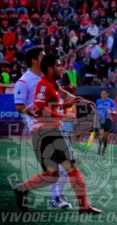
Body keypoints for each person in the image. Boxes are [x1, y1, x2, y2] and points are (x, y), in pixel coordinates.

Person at [13, 54, 101, 214]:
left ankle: (22, 189)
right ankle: (84, 206)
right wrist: (63, 116)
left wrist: (73, 103)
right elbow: (39, 108)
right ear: (50, 69)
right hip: (50, 132)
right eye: (59, 65)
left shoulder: (51, 85)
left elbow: (49, 106)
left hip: (41, 134)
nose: (62, 68)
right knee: (72, 168)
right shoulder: (44, 85)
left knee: (52, 175)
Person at [14, 47, 73, 211]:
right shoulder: (24, 81)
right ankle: (55, 198)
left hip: (53, 124)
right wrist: (35, 114)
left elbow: (61, 93)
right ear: (34, 60)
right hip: (40, 128)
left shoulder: (48, 78)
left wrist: (77, 101)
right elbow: (19, 106)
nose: (46, 58)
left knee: (62, 165)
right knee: (57, 167)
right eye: (42, 56)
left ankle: (26, 189)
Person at [95, 89, 117, 157]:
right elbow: (96, 112)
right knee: (101, 136)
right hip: (101, 120)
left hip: (108, 121)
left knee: (106, 138)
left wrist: (111, 112)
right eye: (102, 93)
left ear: (107, 94)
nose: (103, 95)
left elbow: (115, 112)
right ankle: (99, 150)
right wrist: (94, 121)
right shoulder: (98, 101)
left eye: (104, 93)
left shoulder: (111, 102)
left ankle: (103, 150)